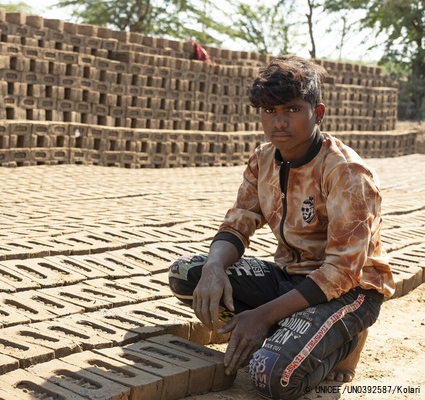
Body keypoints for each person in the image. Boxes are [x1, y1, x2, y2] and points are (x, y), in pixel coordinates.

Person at [168, 55, 395, 399]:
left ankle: (340, 343)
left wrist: (260, 316)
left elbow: (342, 273)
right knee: (189, 275)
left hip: (351, 291)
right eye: (269, 111)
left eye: (291, 110)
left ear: (317, 113)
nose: (279, 122)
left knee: (270, 374)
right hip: (291, 276)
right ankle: (289, 332)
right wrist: (215, 267)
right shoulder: (263, 158)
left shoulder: (346, 172)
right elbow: (240, 220)